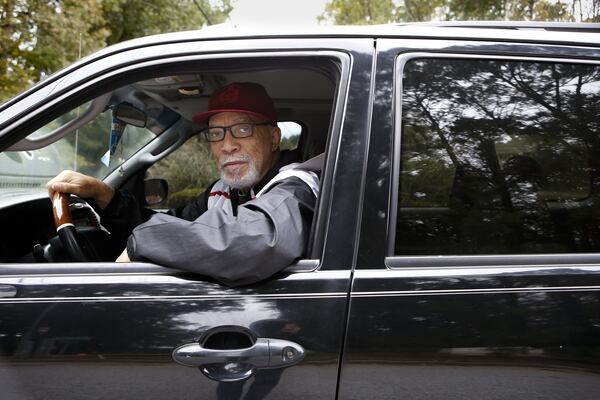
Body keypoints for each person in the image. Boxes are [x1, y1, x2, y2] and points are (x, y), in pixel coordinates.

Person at [47, 82, 320, 286]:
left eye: (243, 129)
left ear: (274, 138)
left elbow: (255, 242)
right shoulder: (222, 192)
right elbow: (179, 229)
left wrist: (142, 243)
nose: (227, 145)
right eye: (216, 133)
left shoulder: (296, 188)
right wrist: (105, 194)